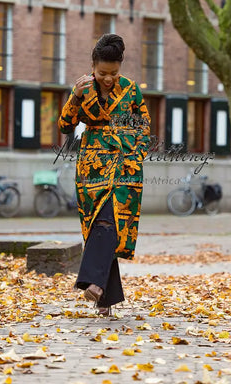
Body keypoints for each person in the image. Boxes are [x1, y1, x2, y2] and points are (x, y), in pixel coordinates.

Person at [58, 34, 151, 316]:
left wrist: (137, 153)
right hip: (92, 168)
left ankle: (94, 283)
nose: (108, 78)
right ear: (93, 66)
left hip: (125, 168)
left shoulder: (131, 90)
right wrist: (75, 96)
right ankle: (105, 301)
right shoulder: (83, 89)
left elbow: (144, 126)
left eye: (114, 73)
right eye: (102, 73)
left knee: (112, 222)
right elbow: (65, 125)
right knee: (97, 225)